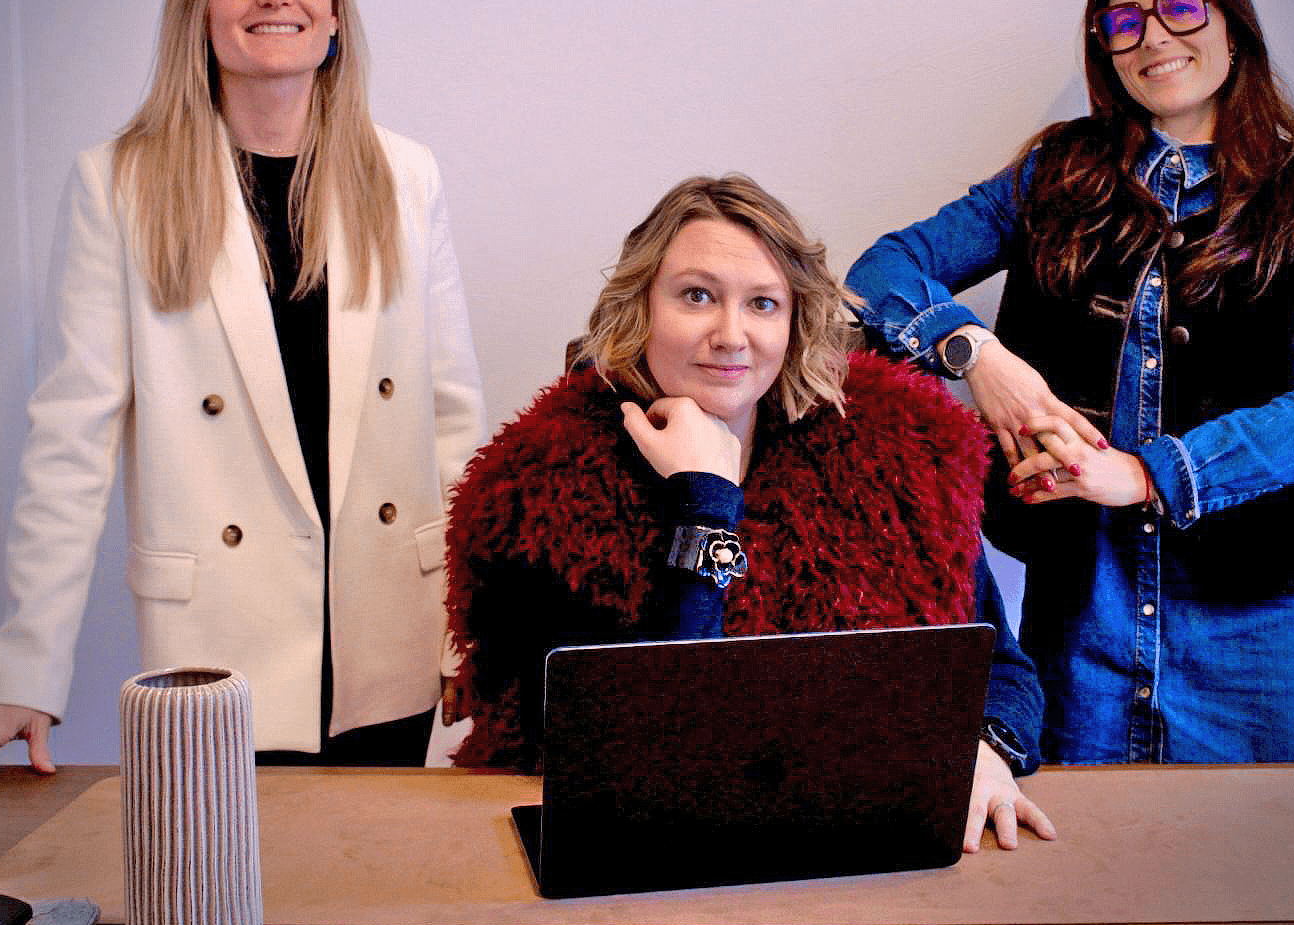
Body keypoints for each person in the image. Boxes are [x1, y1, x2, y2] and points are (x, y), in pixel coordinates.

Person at [0, 0, 486, 790]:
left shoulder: (405, 177)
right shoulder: (121, 184)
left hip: (389, 633)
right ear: (198, 10)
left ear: (334, 14)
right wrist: (25, 672)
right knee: (221, 871)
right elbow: (70, 444)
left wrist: (468, 632)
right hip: (216, 645)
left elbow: (454, 424)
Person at [847, 0, 1294, 764]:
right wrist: (976, 356)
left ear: (1230, 27)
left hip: (1268, 621)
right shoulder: (1055, 174)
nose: (1152, 36)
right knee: (1083, 841)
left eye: (1179, 8)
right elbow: (880, 271)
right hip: (1086, 603)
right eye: (1123, 22)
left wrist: (1147, 474)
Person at [444, 174, 1056, 853]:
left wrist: (984, 751)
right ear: (640, 307)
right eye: (697, 296)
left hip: (857, 841)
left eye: (762, 303)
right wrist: (704, 503)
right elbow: (643, 748)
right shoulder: (546, 486)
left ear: (794, 324)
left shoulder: (900, 457)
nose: (730, 336)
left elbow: (1002, 671)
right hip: (634, 861)